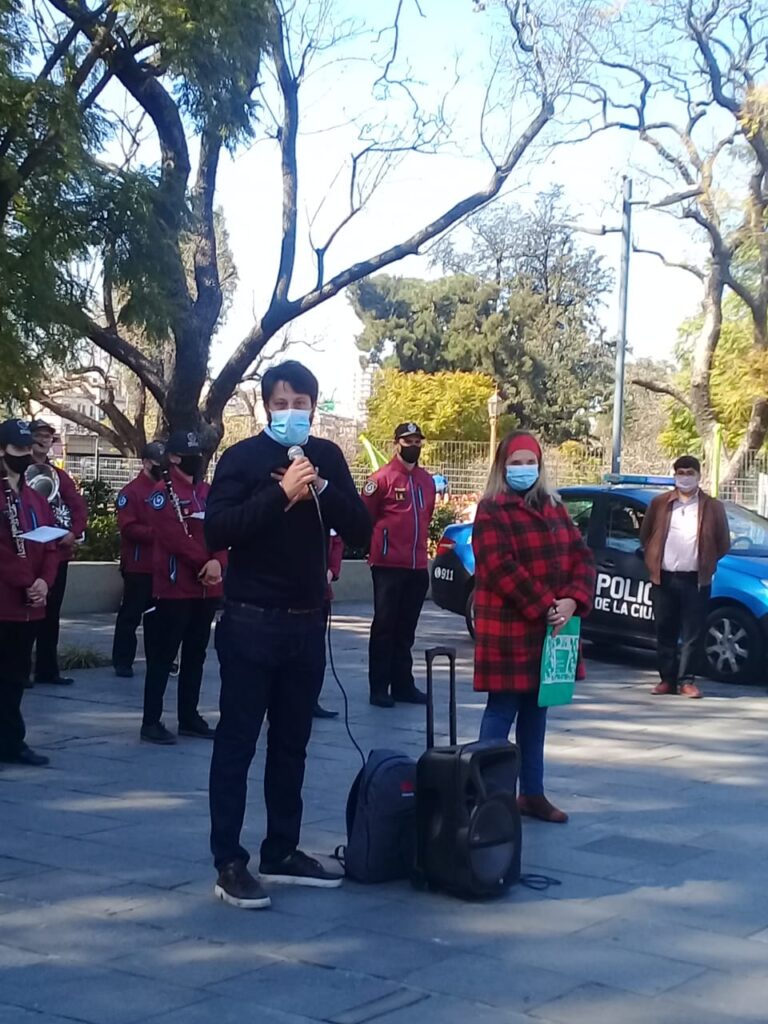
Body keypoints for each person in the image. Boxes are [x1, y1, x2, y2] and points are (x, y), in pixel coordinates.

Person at [205, 360, 371, 909]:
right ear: (266, 407)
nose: (293, 412)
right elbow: (218, 529)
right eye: (282, 403)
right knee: (237, 742)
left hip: (305, 623)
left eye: (302, 404)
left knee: (292, 743)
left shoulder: (326, 456)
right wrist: (279, 494)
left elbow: (362, 529)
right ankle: (229, 861)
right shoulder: (241, 458)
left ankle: (282, 847)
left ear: (313, 408)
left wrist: (320, 486)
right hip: (250, 620)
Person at [472, 431, 595, 824]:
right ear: (502, 466)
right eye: (516, 462)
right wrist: (546, 605)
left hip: (550, 630)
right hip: (509, 628)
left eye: (530, 462)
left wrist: (573, 598)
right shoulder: (491, 509)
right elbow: (498, 566)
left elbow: (581, 556)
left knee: (537, 711)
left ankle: (532, 793)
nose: (524, 469)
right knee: (502, 710)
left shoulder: (554, 507)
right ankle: (488, 796)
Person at [140, 431, 227, 745]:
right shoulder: (162, 494)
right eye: (191, 453)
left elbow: (223, 529)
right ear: (174, 457)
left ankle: (189, 716)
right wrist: (205, 563)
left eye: (200, 452)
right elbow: (173, 537)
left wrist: (218, 562)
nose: (198, 458)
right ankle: (151, 721)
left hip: (207, 588)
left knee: (196, 655)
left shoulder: (207, 491)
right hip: (175, 587)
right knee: (163, 657)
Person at [640, 455, 731, 699]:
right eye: (680, 472)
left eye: (690, 473)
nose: (685, 477)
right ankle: (666, 680)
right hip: (664, 578)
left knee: (693, 633)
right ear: (674, 476)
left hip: (695, 580)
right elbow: (646, 535)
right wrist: (653, 558)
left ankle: (687, 681)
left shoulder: (712, 507)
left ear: (699, 476)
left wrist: (707, 562)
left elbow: (723, 542)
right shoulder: (660, 503)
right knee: (665, 630)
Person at [361, 422, 436, 708]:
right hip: (388, 565)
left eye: (417, 441)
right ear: (396, 444)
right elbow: (365, 517)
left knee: (406, 630)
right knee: (384, 627)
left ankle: (403, 684)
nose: (413, 446)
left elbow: (427, 515)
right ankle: (379, 687)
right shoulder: (380, 479)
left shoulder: (427, 481)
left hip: (416, 566)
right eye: (407, 441)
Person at [0, 419, 60, 766]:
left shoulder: (36, 497)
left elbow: (50, 545)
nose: (25, 455)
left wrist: (44, 582)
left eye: (28, 448)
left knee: (16, 677)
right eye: (18, 449)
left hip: (30, 602)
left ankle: (12, 741)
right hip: (5, 600)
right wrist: (25, 578)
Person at [28, 419, 88, 687]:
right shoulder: (14, 474)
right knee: (24, 614)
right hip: (27, 555)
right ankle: (18, 671)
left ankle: (47, 669)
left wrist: (74, 532)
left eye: (48, 437)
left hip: (56, 554)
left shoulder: (59, 476)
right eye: (39, 436)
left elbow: (78, 506)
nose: (44, 441)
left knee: (51, 615)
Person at [111, 442, 165, 678]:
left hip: (162, 566)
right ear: (145, 463)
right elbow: (128, 528)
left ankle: (159, 658)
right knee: (131, 615)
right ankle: (123, 661)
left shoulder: (167, 490)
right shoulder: (130, 492)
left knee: (160, 617)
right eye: (157, 464)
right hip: (138, 565)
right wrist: (161, 534)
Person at [313, 531, 344, 720]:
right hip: (291, 595)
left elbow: (337, 543)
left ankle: (311, 700)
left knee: (316, 652)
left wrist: (331, 571)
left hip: (320, 595)